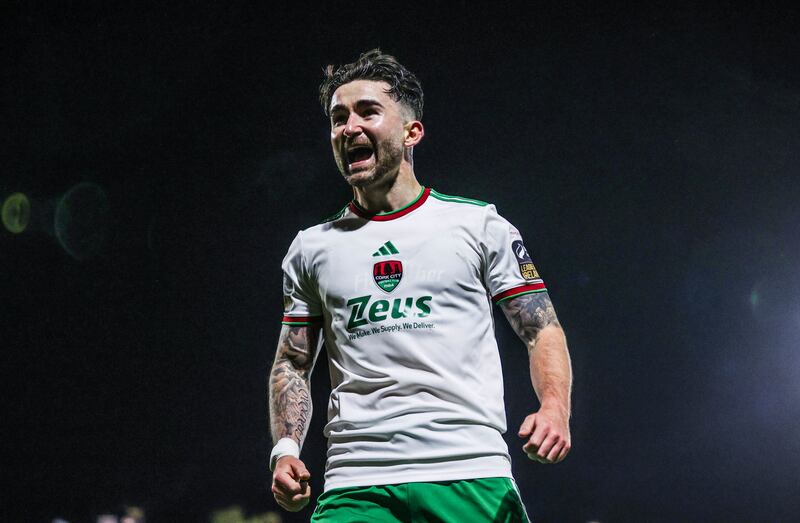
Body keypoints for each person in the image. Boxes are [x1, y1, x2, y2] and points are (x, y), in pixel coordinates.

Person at [268, 49, 572, 522]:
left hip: (469, 472)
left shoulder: (479, 226)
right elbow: (293, 361)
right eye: (338, 117)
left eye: (368, 112)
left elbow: (541, 330)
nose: (349, 128)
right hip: (355, 484)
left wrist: (555, 407)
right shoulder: (311, 248)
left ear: (412, 132)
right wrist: (285, 449)